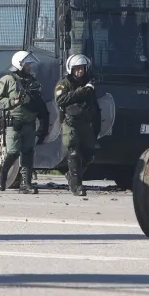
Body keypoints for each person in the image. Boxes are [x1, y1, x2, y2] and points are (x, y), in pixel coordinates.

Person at [0, 51, 49, 194]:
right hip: (13, 123)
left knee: (28, 152)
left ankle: (26, 184)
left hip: (30, 123)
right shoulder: (7, 80)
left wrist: (43, 120)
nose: (30, 67)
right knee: (13, 152)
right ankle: (2, 174)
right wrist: (12, 101)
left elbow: (39, 102)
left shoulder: (33, 82)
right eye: (27, 64)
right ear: (19, 64)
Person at [54, 53, 101, 197]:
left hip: (86, 124)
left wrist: (97, 125)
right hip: (70, 123)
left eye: (82, 68)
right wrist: (82, 91)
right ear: (71, 69)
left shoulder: (89, 85)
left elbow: (94, 105)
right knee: (73, 152)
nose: (80, 71)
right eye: (77, 68)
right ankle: (77, 186)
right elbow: (61, 99)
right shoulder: (64, 84)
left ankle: (72, 175)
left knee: (89, 154)